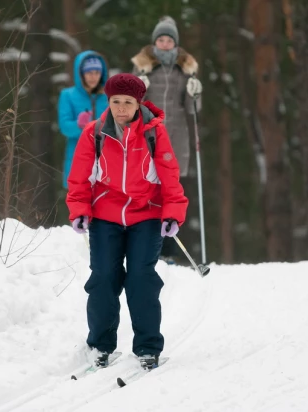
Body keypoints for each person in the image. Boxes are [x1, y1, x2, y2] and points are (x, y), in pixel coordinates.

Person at [66, 73, 188, 370]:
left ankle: (147, 347)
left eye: (128, 102)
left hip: (146, 214)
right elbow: (80, 177)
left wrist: (172, 212)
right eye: (115, 102)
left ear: (139, 104)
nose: (121, 108)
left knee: (140, 278)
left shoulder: (153, 133)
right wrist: (79, 208)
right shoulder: (95, 133)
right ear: (108, 102)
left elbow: (170, 176)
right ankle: (100, 345)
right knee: (104, 277)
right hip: (105, 216)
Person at [130, 16, 203, 262]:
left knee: (171, 194)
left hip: (176, 137)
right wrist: (137, 88)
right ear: (154, 42)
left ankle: (169, 251)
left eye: (168, 40)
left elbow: (193, 110)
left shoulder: (186, 69)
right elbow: (129, 107)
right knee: (149, 192)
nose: (164, 43)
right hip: (148, 136)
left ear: (175, 43)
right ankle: (148, 248)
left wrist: (195, 93)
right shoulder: (142, 67)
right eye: (160, 39)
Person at [58, 51, 109, 190]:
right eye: (89, 72)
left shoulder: (109, 97)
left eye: (97, 72)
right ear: (81, 74)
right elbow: (64, 127)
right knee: (80, 208)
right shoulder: (67, 95)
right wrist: (79, 125)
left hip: (107, 161)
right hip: (78, 160)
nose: (93, 77)